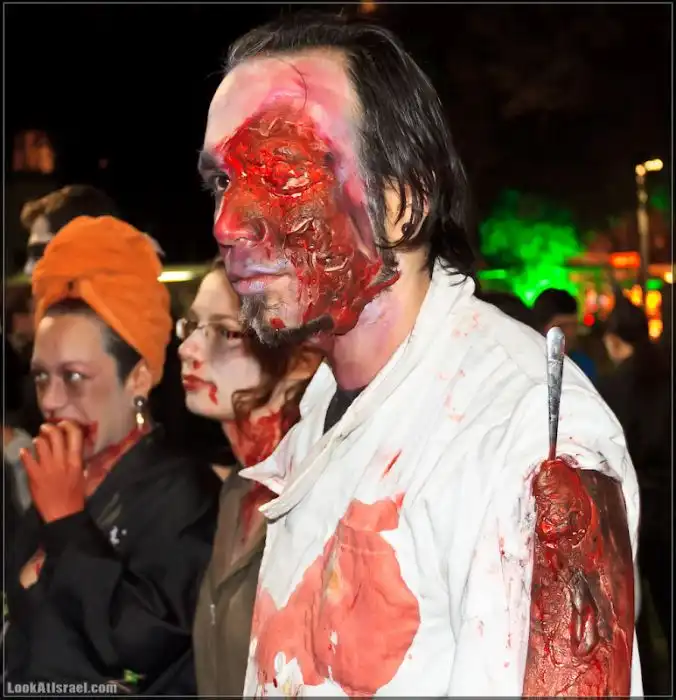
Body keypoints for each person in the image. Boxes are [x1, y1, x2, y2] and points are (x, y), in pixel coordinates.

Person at [200, 13, 642, 696]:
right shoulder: (325, 407)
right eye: (223, 182)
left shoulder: (529, 439)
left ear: (402, 203)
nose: (227, 224)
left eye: (281, 173)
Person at [3, 216, 220, 693]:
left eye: (74, 377)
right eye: (41, 377)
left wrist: (67, 523)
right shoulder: (60, 474)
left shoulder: (183, 493)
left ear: (138, 378)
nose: (51, 401)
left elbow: (140, 645)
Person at [178, 258, 321, 695]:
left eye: (227, 333)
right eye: (192, 326)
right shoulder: (237, 492)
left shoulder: (316, 497)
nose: (188, 348)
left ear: (302, 359)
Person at [597, 296, 671, 689]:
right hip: (667, 501)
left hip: (637, 505)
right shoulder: (667, 373)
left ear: (613, 340)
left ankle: (653, 683)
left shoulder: (612, 387)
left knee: (637, 607)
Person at [532, 288, 598, 382]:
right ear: (540, 329)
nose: (570, 334)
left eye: (574, 326)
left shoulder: (583, 368)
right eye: (562, 327)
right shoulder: (525, 367)